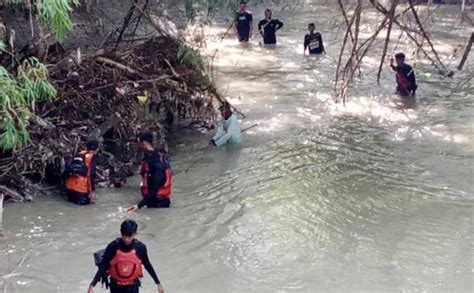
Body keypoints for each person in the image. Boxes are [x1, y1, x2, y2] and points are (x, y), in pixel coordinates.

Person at [88, 220, 165, 293]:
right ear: (121, 233)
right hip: (115, 286)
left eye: (129, 236)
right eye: (124, 236)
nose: (127, 239)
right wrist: (92, 285)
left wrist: (158, 283)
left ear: (134, 234)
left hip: (133, 286)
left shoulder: (140, 248)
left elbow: (147, 265)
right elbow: (103, 267)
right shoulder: (112, 247)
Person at [128, 132, 172, 212]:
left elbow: (155, 187)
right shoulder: (156, 155)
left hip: (158, 204)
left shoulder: (156, 162)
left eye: (138, 142)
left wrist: (139, 205)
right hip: (156, 201)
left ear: (144, 143)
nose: (137, 145)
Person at [64, 140, 99, 205]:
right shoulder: (92, 157)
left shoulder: (79, 154)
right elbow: (91, 174)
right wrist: (92, 192)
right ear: (96, 149)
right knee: (85, 211)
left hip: (69, 187)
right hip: (80, 189)